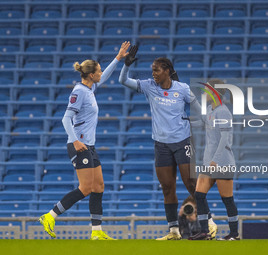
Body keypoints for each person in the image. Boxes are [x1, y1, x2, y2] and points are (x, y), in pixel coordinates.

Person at [119, 46, 217, 240]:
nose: (153, 73)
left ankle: (210, 223)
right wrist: (126, 65)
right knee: (167, 187)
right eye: (152, 70)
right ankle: (173, 231)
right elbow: (123, 80)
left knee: (191, 183)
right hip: (161, 145)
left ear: (167, 70)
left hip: (182, 142)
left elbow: (198, 110)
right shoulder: (148, 86)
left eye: (156, 70)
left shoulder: (182, 89)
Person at [39, 41, 131, 240]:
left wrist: (118, 57)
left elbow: (104, 77)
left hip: (89, 146)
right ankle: (50, 215)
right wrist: (74, 141)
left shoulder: (89, 89)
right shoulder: (79, 92)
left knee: (99, 186)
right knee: (86, 188)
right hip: (79, 146)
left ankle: (96, 233)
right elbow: (65, 118)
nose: (100, 74)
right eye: (97, 71)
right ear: (91, 75)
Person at [188, 79, 240, 241]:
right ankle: (204, 232)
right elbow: (203, 122)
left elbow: (225, 139)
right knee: (199, 194)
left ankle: (234, 234)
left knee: (227, 199)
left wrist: (215, 161)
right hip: (209, 163)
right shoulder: (211, 109)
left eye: (207, 90)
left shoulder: (224, 112)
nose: (204, 93)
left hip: (222, 163)